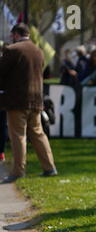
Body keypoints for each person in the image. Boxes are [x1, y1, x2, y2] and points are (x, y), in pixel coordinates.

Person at [0, 23, 57, 183]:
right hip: (36, 101)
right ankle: (49, 167)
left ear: (16, 35)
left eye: (12, 36)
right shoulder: (38, 51)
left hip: (17, 101)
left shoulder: (12, 50)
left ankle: (18, 171)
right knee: (38, 134)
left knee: (18, 135)